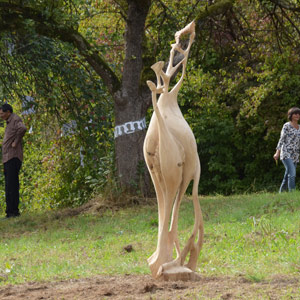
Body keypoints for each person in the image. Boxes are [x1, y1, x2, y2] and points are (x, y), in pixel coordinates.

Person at [0, 103, 27, 218]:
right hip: (7, 158)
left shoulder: (15, 118)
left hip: (13, 157)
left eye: (1, 113)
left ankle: (13, 212)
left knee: (12, 186)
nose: (0, 115)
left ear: (8, 112)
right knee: (9, 186)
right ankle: (10, 211)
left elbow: (23, 128)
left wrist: (16, 142)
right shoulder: (9, 122)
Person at [273, 107, 300, 192]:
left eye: (299, 113)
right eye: (295, 113)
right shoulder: (286, 126)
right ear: (291, 115)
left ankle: (281, 193)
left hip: (295, 154)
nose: (297, 115)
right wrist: (277, 152)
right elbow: (282, 139)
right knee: (292, 174)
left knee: (288, 174)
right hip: (286, 153)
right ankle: (292, 192)